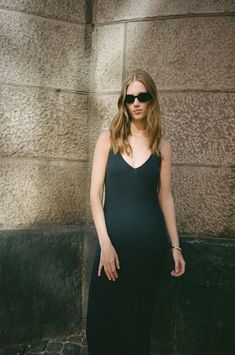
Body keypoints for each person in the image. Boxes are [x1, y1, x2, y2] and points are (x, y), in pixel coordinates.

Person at [86, 69, 186, 355]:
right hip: (112, 247)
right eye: (130, 98)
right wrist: (105, 244)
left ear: (152, 99)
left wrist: (175, 246)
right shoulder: (108, 140)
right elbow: (95, 195)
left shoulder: (162, 146)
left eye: (142, 96)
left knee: (136, 327)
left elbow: (165, 197)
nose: (136, 103)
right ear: (124, 102)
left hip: (148, 250)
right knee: (101, 324)